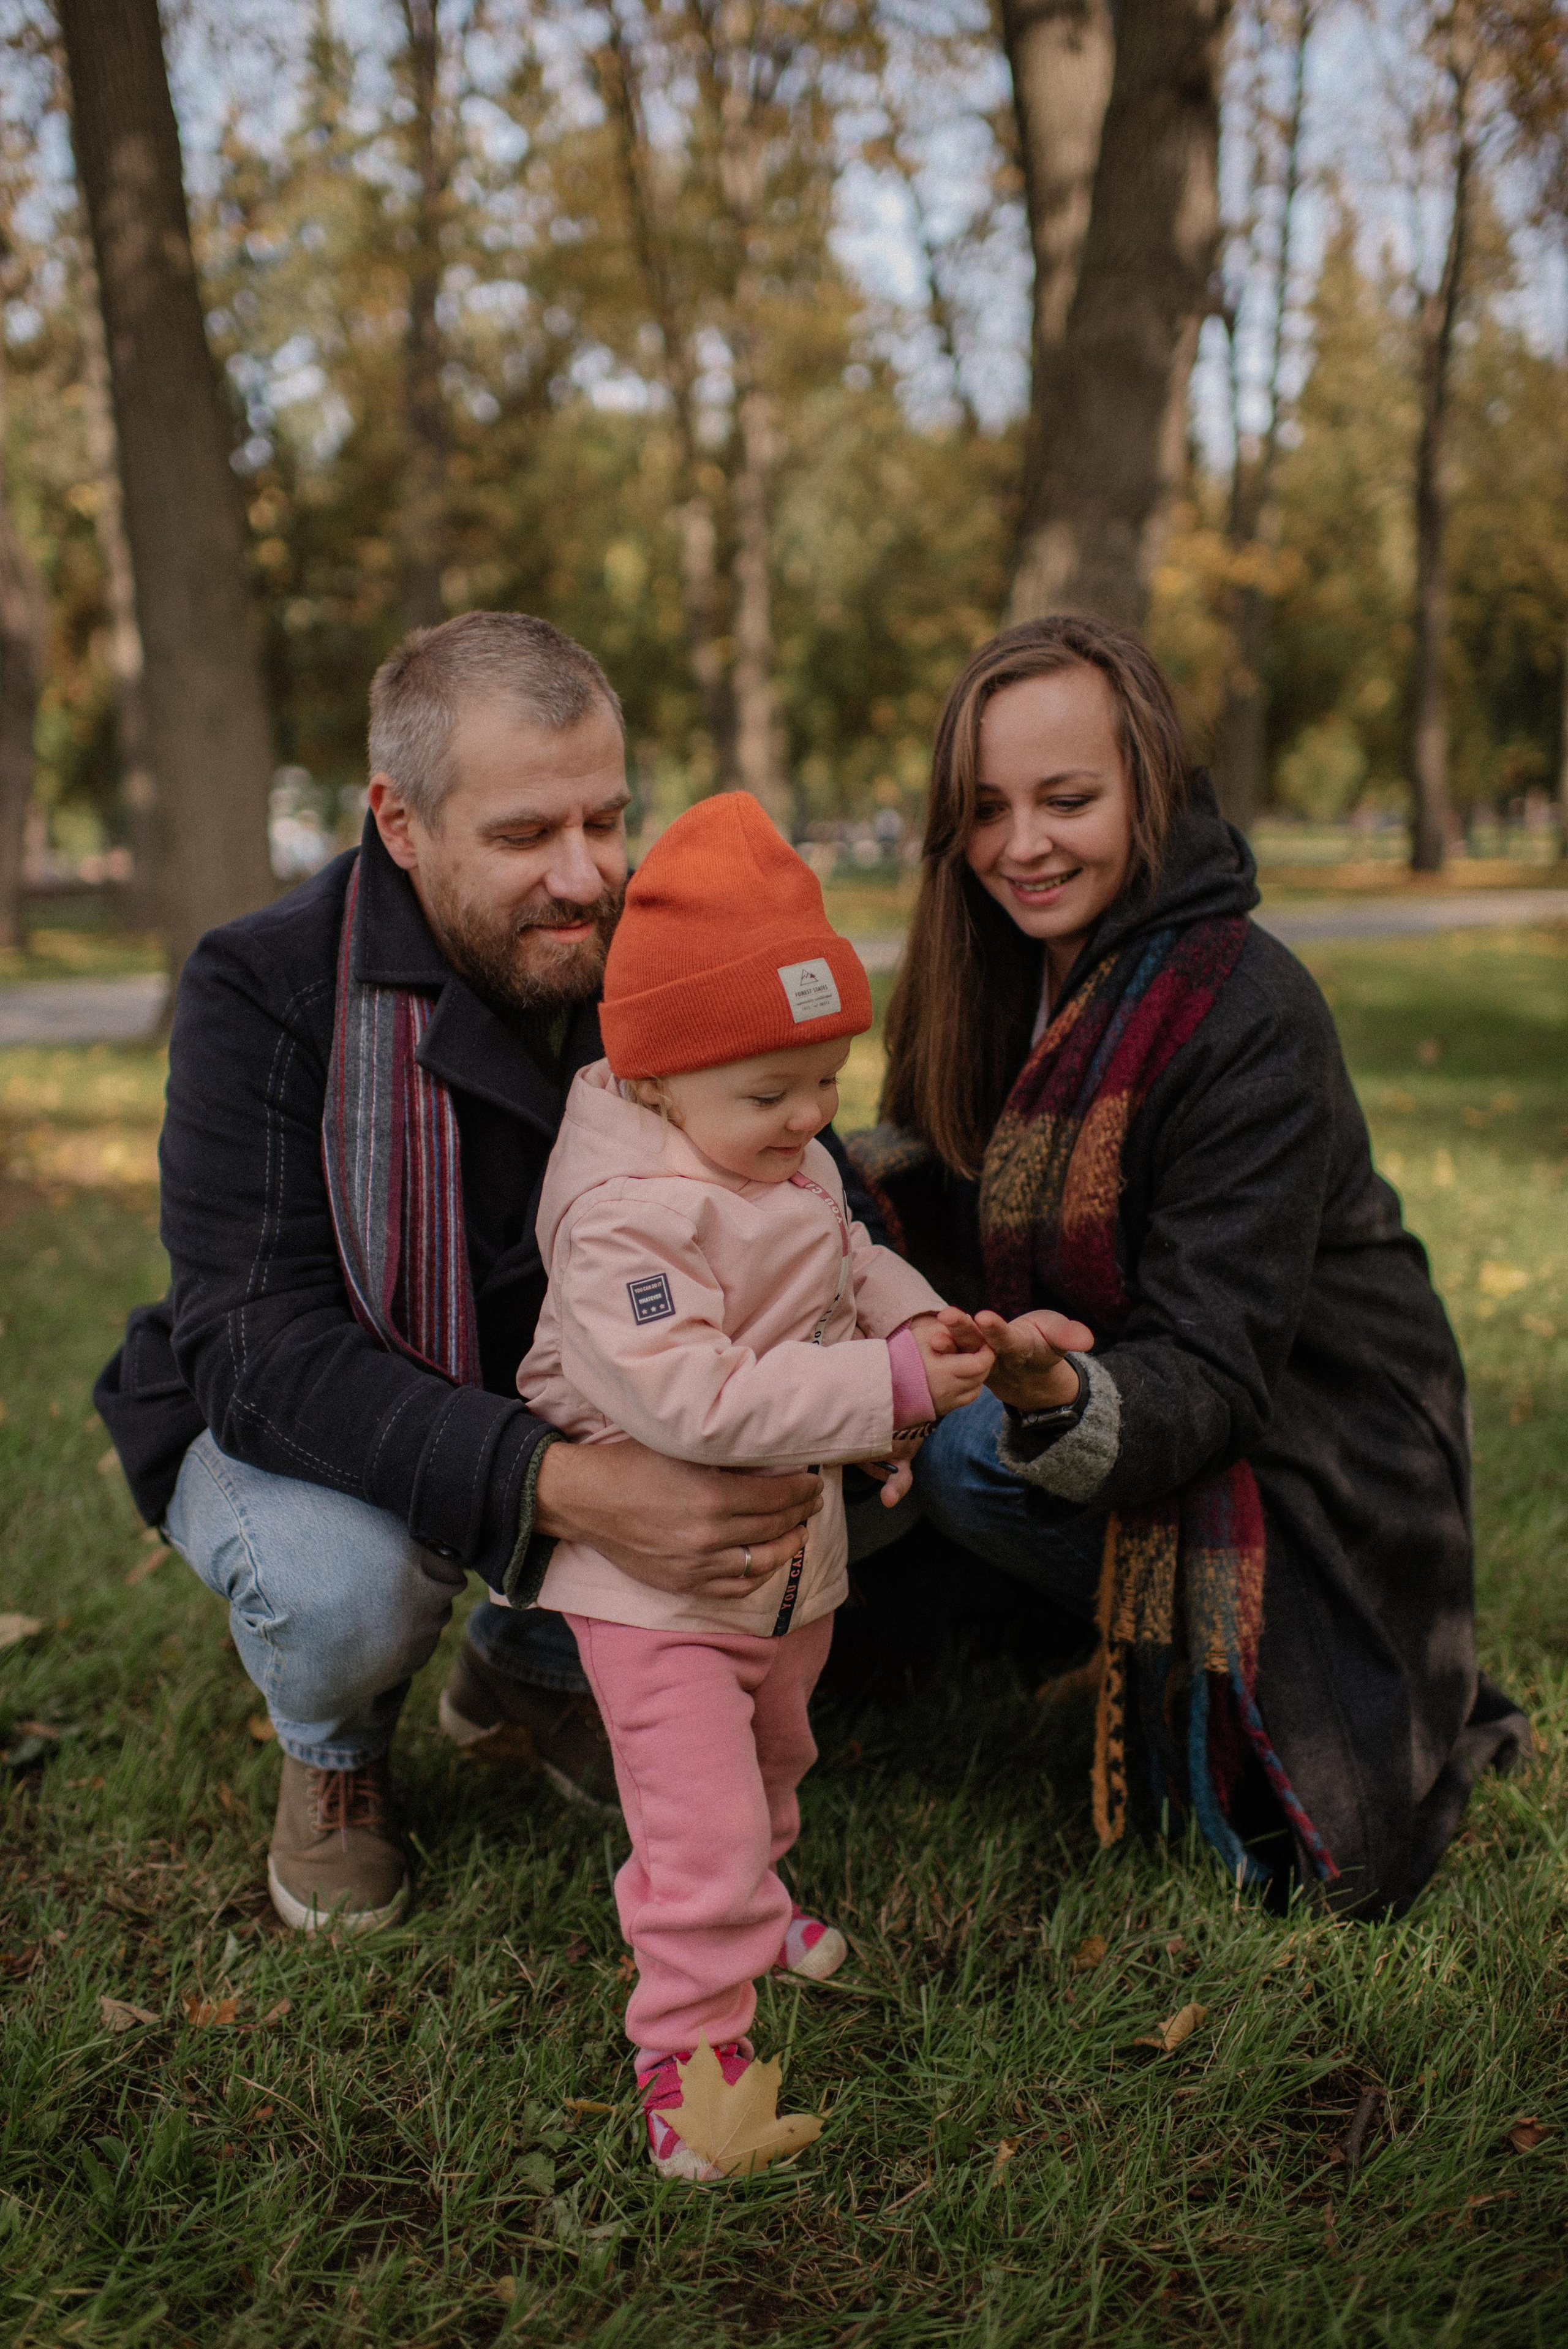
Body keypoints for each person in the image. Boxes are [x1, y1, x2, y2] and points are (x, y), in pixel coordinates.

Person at [94, 611, 878, 1934]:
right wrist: (559, 1487)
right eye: (524, 837)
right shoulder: (267, 987)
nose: (585, 878)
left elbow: (807, 1176)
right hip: (312, 1424)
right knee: (344, 1582)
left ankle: (525, 1663)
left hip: (596, 1377)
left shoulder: (650, 954)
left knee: (817, 1435)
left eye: (606, 819)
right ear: (398, 824)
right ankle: (336, 1754)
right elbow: (258, 1348)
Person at [853, 615, 1528, 1918]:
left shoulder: (1243, 1009)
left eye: (1066, 800)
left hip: (1315, 1440)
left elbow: (1215, 1366)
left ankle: (1209, 1671)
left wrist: (1049, 1394)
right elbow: (939, 1185)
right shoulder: (996, 975)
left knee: (956, 1450)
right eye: (985, 809)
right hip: (1133, 1383)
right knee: (837, 1394)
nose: (1020, 845)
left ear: (1147, 786)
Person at [507, 792, 992, 2176]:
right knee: (700, 1819)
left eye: (827, 1080)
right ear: (655, 1077)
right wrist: (885, 1401)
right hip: (653, 1591)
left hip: (782, 1572)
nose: (811, 1119)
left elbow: (841, 1262)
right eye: (773, 1093)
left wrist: (909, 1326)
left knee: (776, 1760)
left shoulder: (769, 1150)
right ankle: (691, 2054)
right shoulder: (624, 1222)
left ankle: (749, 1901)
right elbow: (694, 1397)